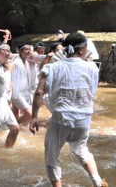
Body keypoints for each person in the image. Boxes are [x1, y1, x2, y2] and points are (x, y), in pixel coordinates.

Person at [30, 32, 108, 187]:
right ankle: (97, 181)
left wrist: (34, 116)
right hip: (84, 118)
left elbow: (39, 92)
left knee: (52, 156)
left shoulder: (52, 67)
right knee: (82, 150)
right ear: (82, 50)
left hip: (61, 117)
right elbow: (91, 91)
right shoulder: (92, 67)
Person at [11, 43, 37, 125]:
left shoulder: (31, 63)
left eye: (30, 49)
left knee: (18, 115)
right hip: (17, 92)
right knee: (30, 114)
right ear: (20, 51)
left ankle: (14, 130)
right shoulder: (15, 62)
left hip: (27, 92)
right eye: (26, 49)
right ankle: (15, 127)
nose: (29, 51)